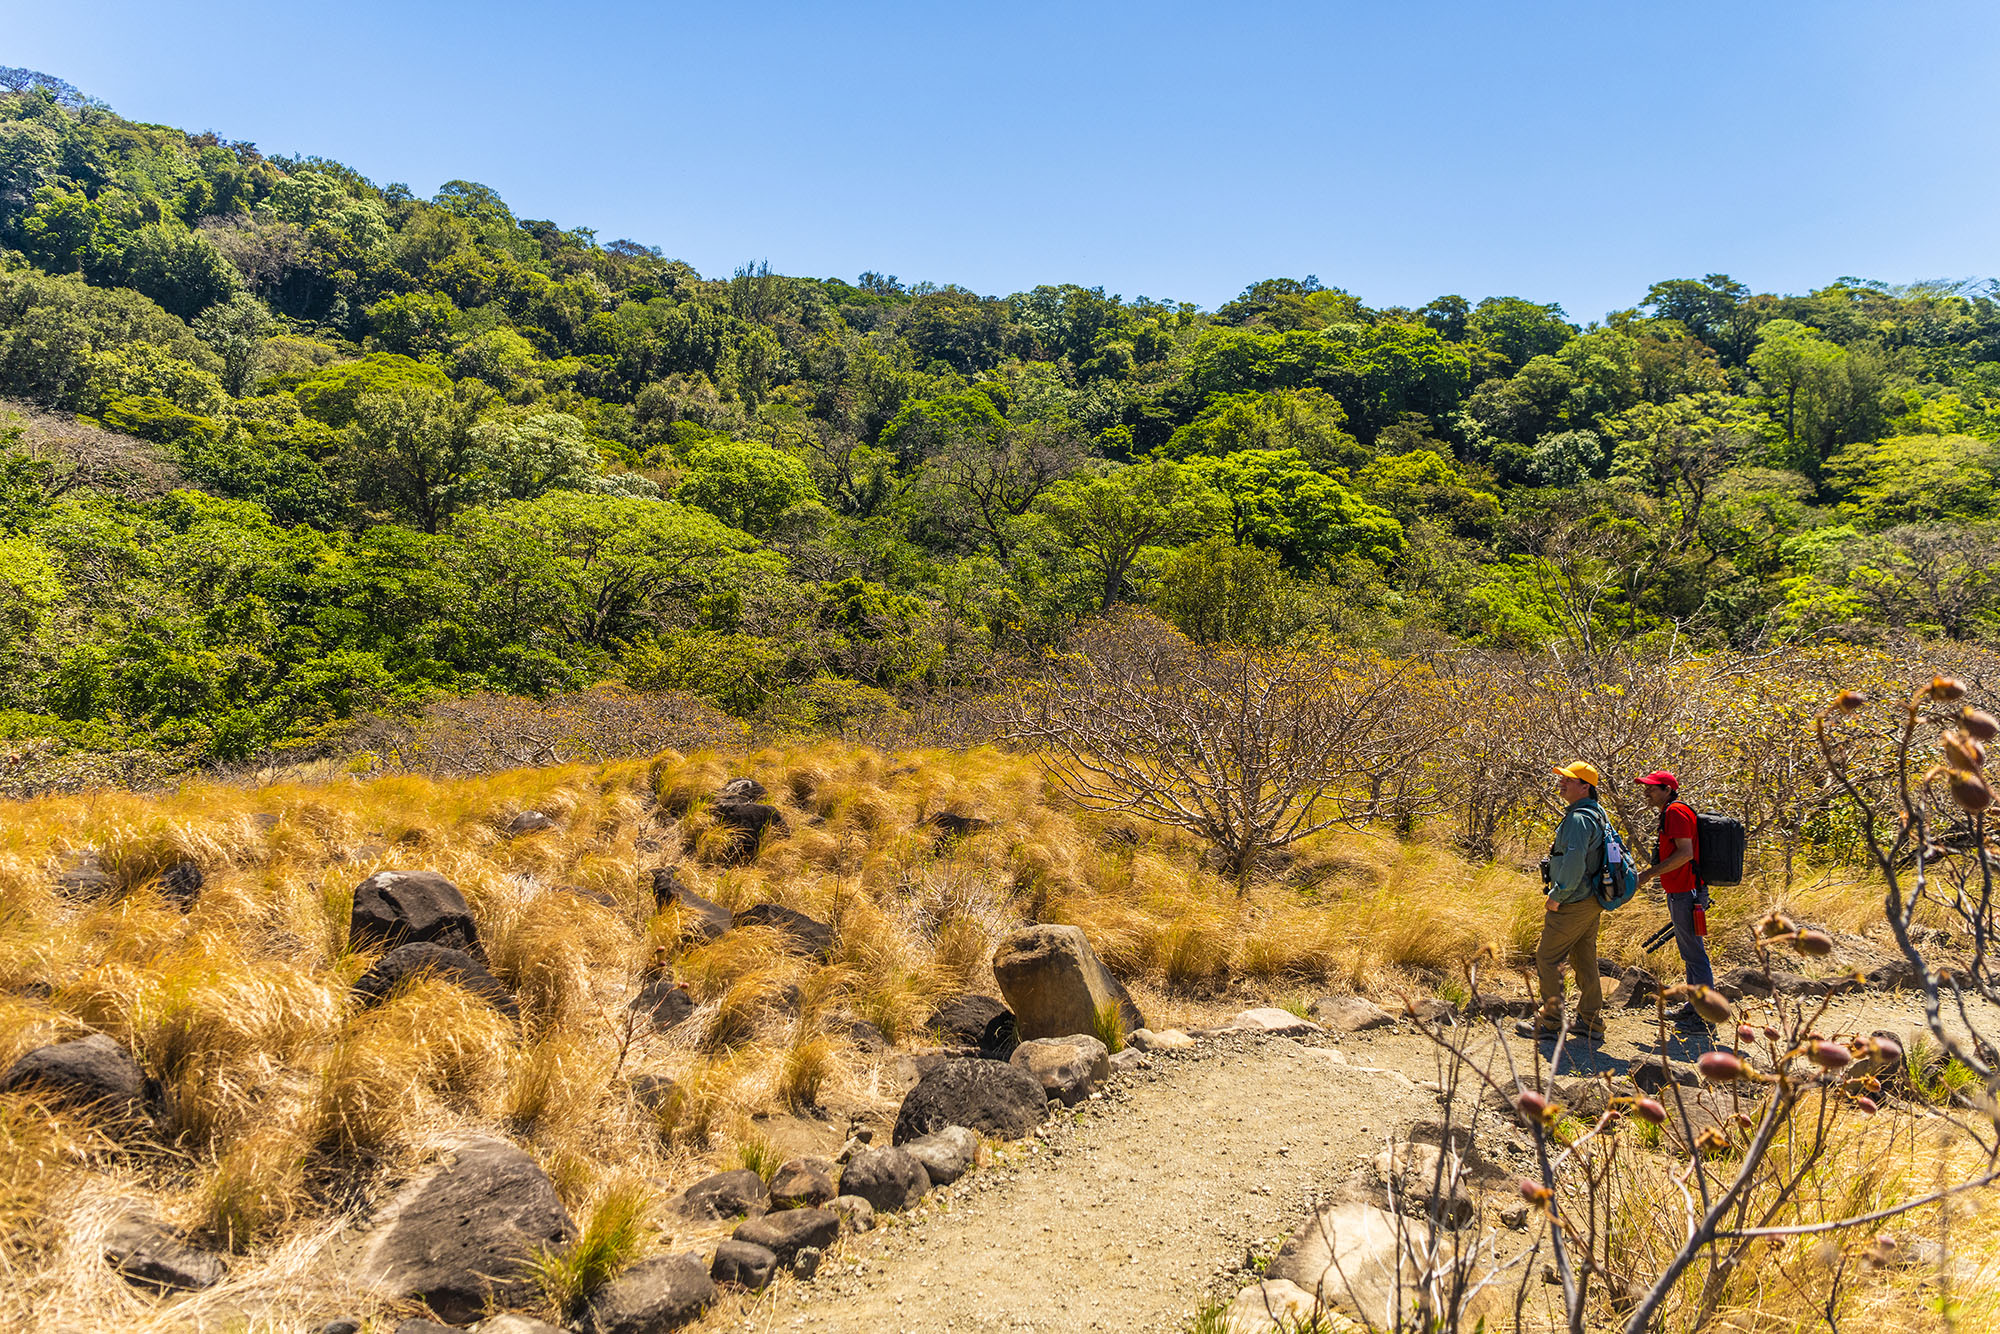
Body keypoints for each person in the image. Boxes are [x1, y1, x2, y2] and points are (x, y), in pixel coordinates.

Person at [1517, 761, 1608, 1042]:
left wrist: (1558, 895)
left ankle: (1551, 1022)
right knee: (1584, 958)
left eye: (1569, 779)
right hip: (1592, 899)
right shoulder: (1597, 813)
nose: (1562, 783)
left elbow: (1572, 862)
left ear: (1585, 787)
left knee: (1548, 957)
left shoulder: (1579, 818)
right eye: (1563, 778)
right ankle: (1590, 1022)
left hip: (1574, 899)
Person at [1634, 769, 1716, 1030]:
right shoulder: (1671, 811)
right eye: (1646, 787)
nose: (1647, 792)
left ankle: (1703, 1017)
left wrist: (1648, 874)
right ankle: (1694, 1008)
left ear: (1668, 789)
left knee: (1695, 954)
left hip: (1686, 891)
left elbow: (1685, 854)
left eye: (1652, 788)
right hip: (1684, 890)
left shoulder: (1674, 812)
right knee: (1691, 953)